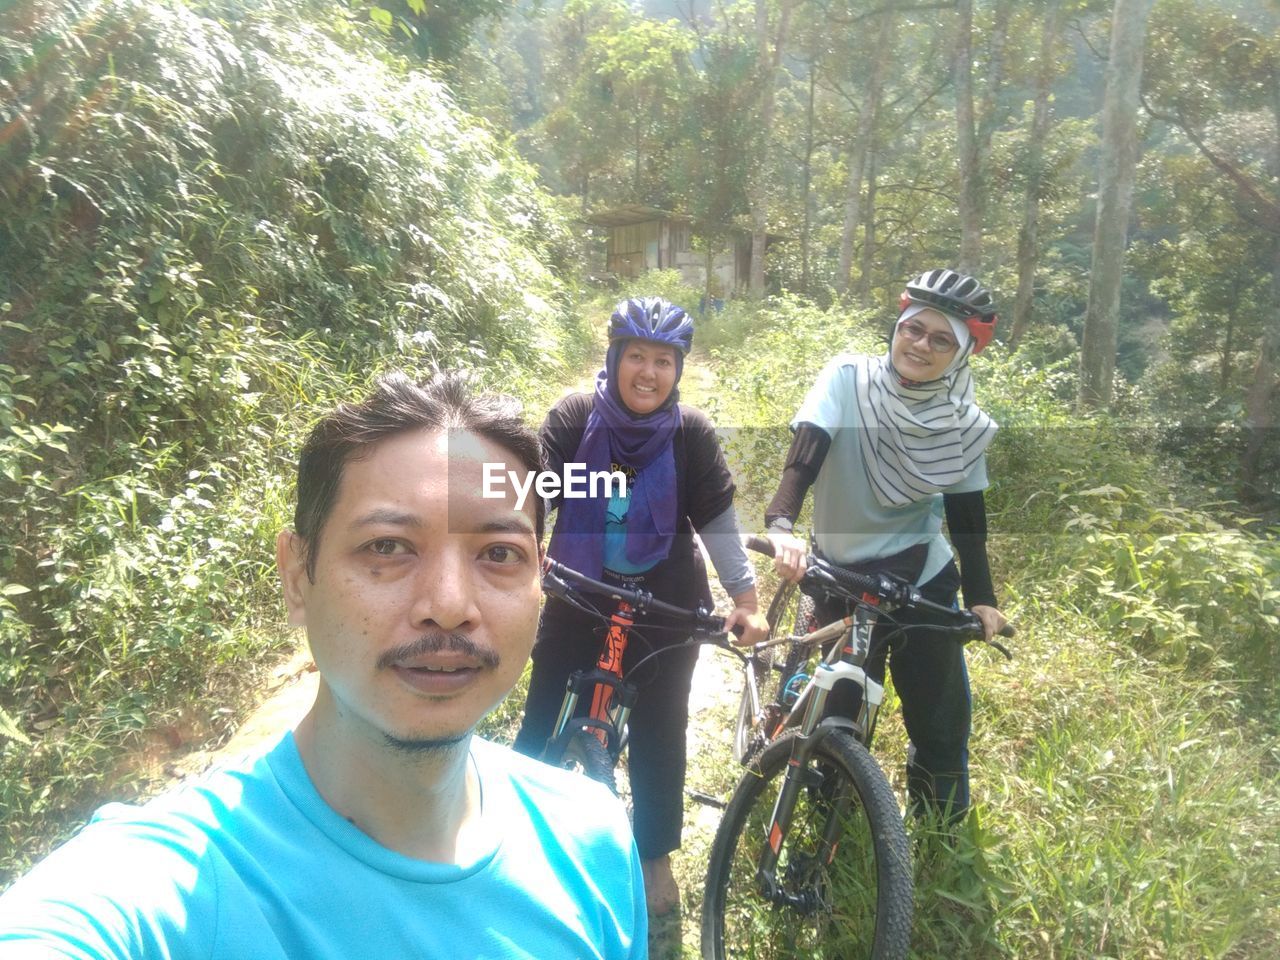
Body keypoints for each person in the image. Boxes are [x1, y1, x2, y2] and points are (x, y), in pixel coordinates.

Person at [0, 372, 648, 959]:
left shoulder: (592, 844)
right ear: (295, 576)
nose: (449, 607)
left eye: (498, 553)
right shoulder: (172, 885)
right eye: (387, 547)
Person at [512, 296, 768, 958]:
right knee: (541, 711)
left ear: (677, 369)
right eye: (636, 357)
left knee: (660, 727)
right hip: (578, 588)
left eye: (663, 361)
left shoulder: (691, 434)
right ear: (614, 359)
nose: (648, 373)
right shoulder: (575, 417)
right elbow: (535, 492)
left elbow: (715, 519)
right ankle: (511, 832)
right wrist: (514, 552)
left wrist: (746, 596)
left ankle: (655, 860)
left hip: (665, 600)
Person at [765, 268, 1009, 823]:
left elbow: (969, 520)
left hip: (917, 572)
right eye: (913, 329)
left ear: (962, 353)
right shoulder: (848, 377)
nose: (921, 344)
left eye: (941, 339)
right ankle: (828, 824)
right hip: (837, 569)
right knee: (835, 709)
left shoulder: (964, 425)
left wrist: (983, 597)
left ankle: (942, 831)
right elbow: (807, 454)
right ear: (896, 327)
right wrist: (782, 523)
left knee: (938, 711)